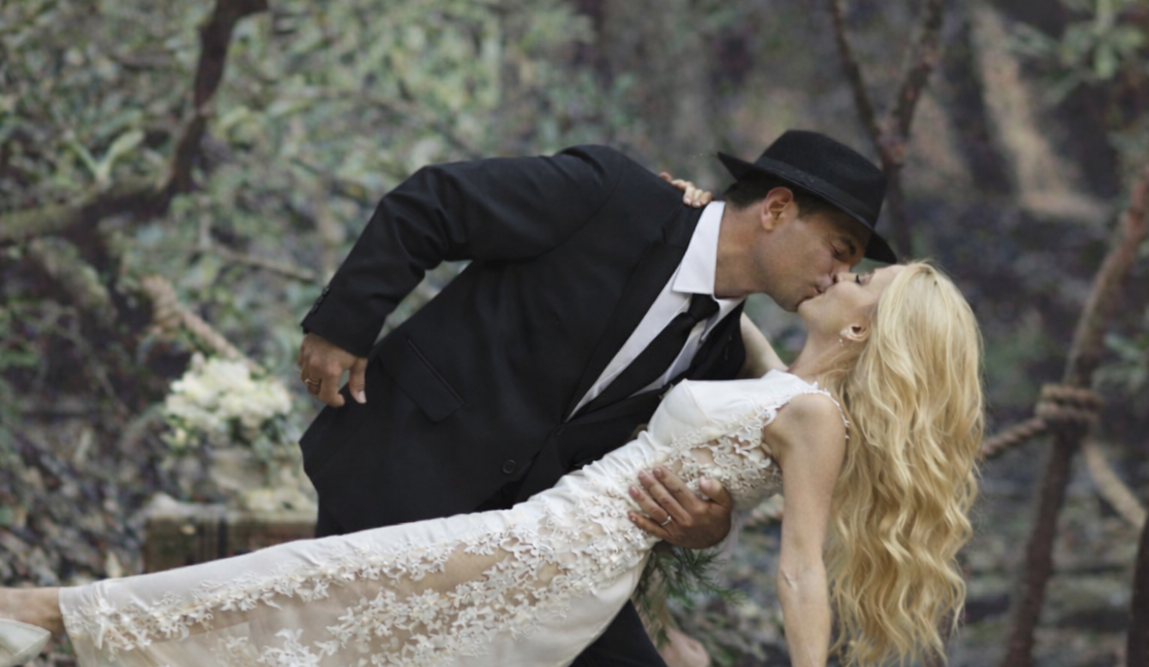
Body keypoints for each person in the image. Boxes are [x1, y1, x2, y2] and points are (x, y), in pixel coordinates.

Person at [0, 259, 984, 667]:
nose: (842, 274)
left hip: (560, 556)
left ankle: (39, 612)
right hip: (546, 538)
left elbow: (801, 565)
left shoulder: (813, 418)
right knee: (325, 605)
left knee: (315, 586)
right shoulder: (779, 380)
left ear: (865, 333)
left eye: (862, 281)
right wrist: (692, 223)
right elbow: (717, 308)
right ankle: (46, 620)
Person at [291, 130, 895, 665]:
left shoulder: (724, 350)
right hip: (396, 472)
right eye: (840, 249)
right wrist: (341, 325)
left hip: (532, 554)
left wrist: (706, 525)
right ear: (777, 208)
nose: (840, 275)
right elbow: (435, 201)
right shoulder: (612, 195)